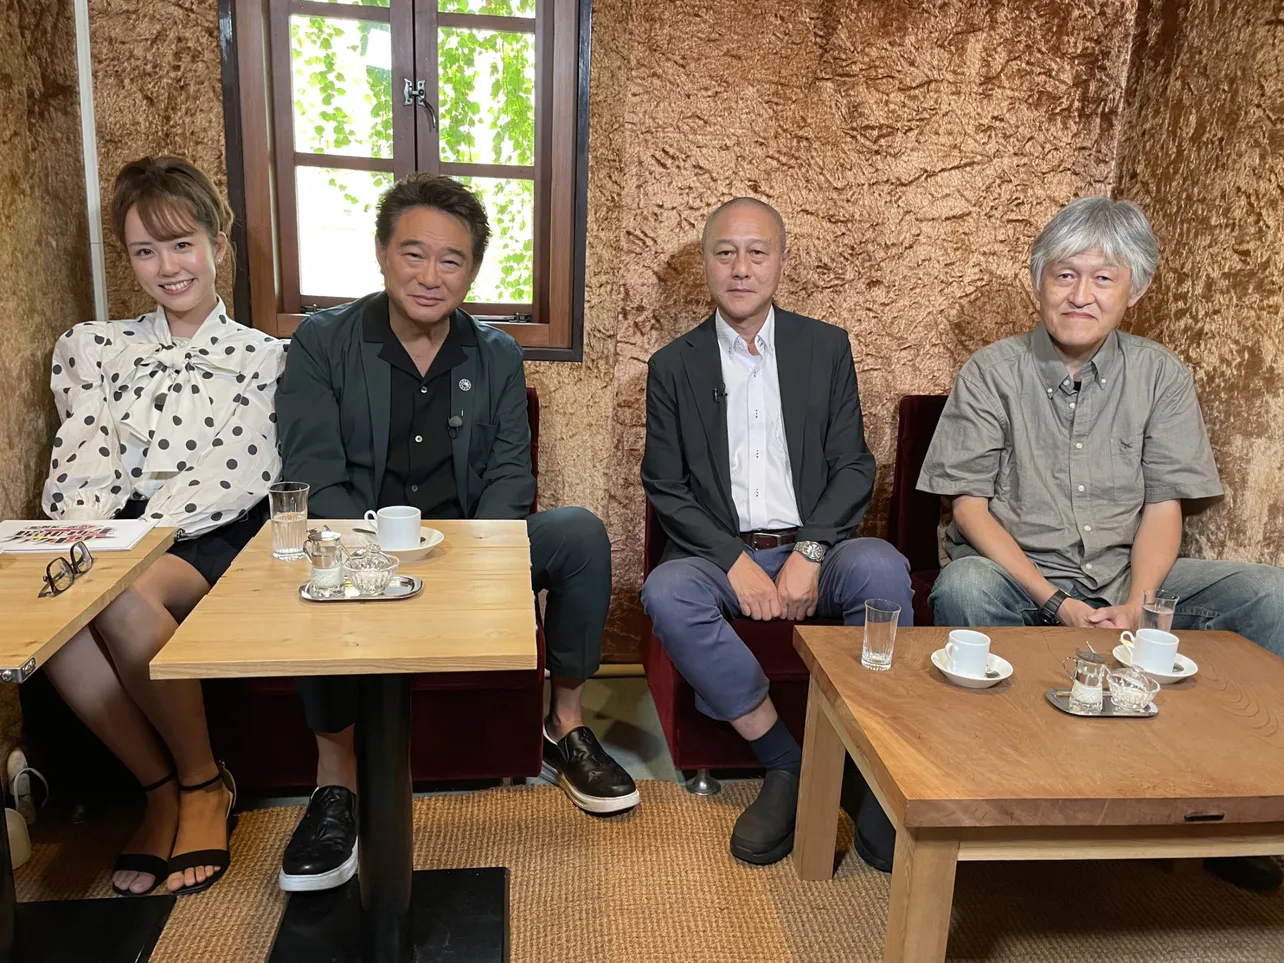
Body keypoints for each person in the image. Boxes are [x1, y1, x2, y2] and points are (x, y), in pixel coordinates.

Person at [273, 173, 637, 893]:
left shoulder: (494, 352)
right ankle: (335, 780)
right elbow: (313, 472)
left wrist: (475, 562)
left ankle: (564, 726)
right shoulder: (323, 341)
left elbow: (509, 473)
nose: (431, 275)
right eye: (414, 254)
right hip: (358, 550)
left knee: (581, 535)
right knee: (309, 567)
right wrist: (375, 559)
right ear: (382, 254)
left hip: (469, 545)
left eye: (452, 260)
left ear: (471, 270)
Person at [918, 195, 1284, 892]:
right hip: (1017, 576)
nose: (1080, 295)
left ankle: (1238, 812)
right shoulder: (992, 371)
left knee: (1270, 592)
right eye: (1064, 275)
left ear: (1135, 289)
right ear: (1037, 280)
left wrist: (1142, 606)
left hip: (1127, 576)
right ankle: (998, 797)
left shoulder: (1161, 374)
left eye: (1103, 278)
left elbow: (1162, 504)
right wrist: (1054, 601)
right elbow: (968, 508)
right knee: (961, 587)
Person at [640, 197, 913, 867]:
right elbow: (665, 486)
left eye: (756, 252)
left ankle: (873, 765)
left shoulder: (825, 347)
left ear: (780, 262)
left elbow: (854, 464)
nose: (741, 267)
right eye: (725, 252)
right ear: (705, 264)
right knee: (667, 590)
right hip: (721, 554)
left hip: (816, 543)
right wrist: (733, 560)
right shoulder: (674, 365)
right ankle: (786, 761)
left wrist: (812, 551)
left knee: (882, 568)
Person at [40, 156, 287, 896]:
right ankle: (158, 790)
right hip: (117, 532)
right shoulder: (99, 346)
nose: (166, 266)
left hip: (211, 538)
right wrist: (83, 536)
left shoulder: (264, 357)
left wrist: (126, 546)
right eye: (145, 250)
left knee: (113, 591)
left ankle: (206, 782)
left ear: (217, 242)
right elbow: (84, 454)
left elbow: (238, 475)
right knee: (52, 601)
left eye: (182, 243)